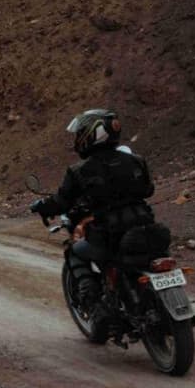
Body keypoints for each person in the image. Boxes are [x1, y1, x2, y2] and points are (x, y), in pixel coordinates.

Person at [30, 109, 159, 305]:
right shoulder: (136, 160)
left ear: (93, 134)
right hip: (146, 224)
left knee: (75, 250)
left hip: (110, 232)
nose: (78, 137)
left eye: (81, 132)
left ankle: (90, 295)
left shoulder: (80, 170)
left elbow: (62, 201)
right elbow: (148, 190)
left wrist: (42, 206)